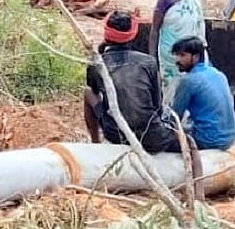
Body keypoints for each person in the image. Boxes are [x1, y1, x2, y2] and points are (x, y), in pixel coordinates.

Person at [83, 10, 205, 198]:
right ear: (133, 34)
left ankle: (96, 143)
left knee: (87, 93)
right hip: (151, 136)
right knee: (189, 142)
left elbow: (97, 94)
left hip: (116, 133)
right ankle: (199, 195)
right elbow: (156, 106)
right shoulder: (148, 63)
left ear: (106, 34)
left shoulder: (96, 65)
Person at [169, 37, 235, 150]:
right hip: (230, 138)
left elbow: (175, 117)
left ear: (195, 57)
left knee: (160, 141)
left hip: (207, 140)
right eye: (177, 55)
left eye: (182, 56)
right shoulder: (218, 74)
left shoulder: (188, 80)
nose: (177, 60)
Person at [150, 0, 206, 91]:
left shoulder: (194, 3)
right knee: (170, 90)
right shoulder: (165, 1)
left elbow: (199, 30)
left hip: (190, 56)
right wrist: (152, 59)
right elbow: (154, 31)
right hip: (169, 56)